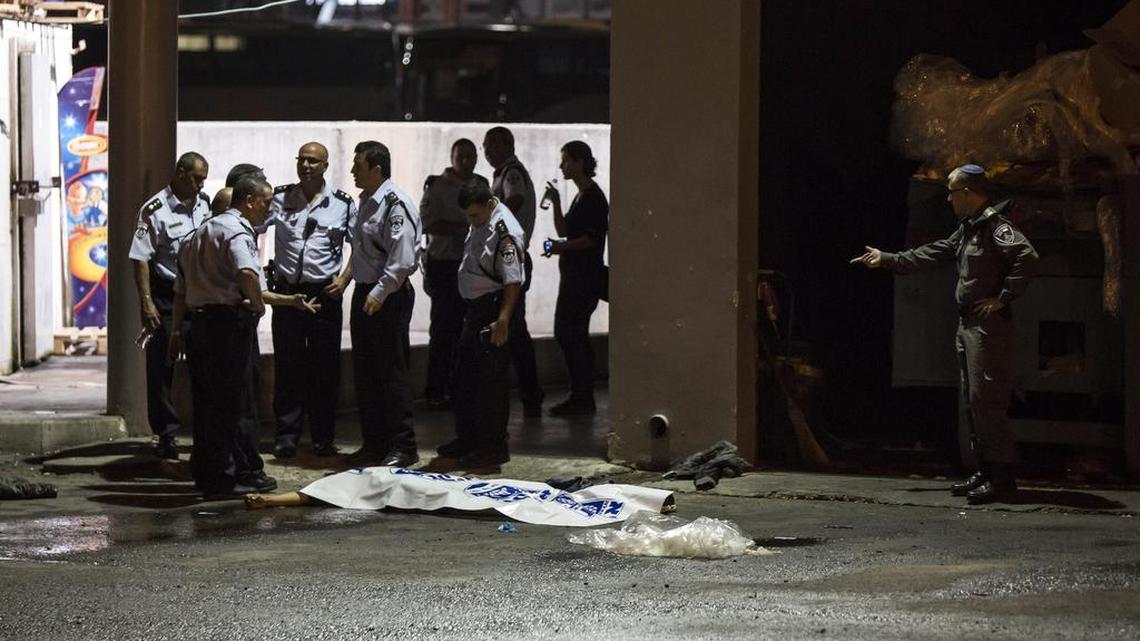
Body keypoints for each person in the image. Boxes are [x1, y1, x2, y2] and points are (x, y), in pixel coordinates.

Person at [852, 163, 1038, 504]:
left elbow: (1026, 257)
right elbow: (934, 252)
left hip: (987, 327)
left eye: (952, 191)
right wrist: (888, 258)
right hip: (966, 323)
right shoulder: (969, 228)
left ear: (967, 192)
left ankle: (1003, 479)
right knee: (971, 401)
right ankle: (985, 470)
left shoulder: (996, 227)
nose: (949, 199)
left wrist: (1002, 299)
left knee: (987, 401)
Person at [169, 176, 319, 498]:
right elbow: (248, 273)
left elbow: (181, 288)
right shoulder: (237, 231)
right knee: (230, 403)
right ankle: (225, 477)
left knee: (206, 405)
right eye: (266, 203)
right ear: (249, 200)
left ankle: (207, 475)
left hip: (200, 325)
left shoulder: (195, 235)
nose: (269, 210)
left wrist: (177, 330)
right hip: (226, 326)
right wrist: (257, 304)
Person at [259, 142, 356, 459]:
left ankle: (323, 437)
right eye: (301, 160)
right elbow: (253, 229)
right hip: (288, 293)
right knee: (288, 367)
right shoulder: (281, 197)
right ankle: (286, 436)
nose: (305, 166)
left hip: (324, 294)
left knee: (324, 369)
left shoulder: (341, 204)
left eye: (313, 161)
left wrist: (343, 280)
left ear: (325, 165)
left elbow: (360, 245)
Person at [426, 179, 526, 474]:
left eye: (474, 215)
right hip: (476, 307)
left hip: (493, 309)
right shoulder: (482, 219)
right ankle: (469, 439)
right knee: (465, 377)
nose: (470, 221)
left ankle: (492, 448)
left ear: (489, 204)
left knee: (490, 383)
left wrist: (503, 319)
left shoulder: (505, 231)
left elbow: (512, 280)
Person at [128, 152, 212, 460]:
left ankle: (205, 430)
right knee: (162, 366)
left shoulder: (205, 205)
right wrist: (147, 302)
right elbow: (140, 258)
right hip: (166, 294)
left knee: (204, 364)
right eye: (196, 178)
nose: (201, 185)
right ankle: (166, 433)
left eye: (204, 179)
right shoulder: (155, 209)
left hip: (199, 294)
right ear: (179, 173)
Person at [345, 141, 422, 468]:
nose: (353, 171)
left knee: (391, 372)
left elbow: (402, 260)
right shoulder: (367, 201)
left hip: (386, 295)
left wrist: (379, 293)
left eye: (358, 165)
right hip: (367, 293)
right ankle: (374, 442)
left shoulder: (395, 204)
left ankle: (403, 446)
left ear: (377, 168)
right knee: (366, 372)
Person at [541, 141, 609, 416]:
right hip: (574, 277)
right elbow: (566, 230)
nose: (562, 166)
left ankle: (582, 396)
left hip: (583, 279)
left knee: (572, 334)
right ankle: (580, 395)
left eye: (566, 160)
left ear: (580, 162)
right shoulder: (582, 195)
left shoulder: (594, 197)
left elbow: (590, 239)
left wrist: (561, 248)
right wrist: (557, 203)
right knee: (570, 334)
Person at [420, 138, 487, 407]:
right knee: (442, 331)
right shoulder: (437, 187)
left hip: (471, 267)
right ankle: (435, 391)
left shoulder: (481, 185)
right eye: (461, 156)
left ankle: (460, 389)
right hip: (445, 266)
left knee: (467, 332)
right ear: (452, 157)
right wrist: (464, 227)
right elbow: (429, 224)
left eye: (471, 156)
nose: (466, 161)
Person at [483, 127, 544, 417]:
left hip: (512, 260)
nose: (486, 151)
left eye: (490, 145)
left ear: (506, 144)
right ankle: (528, 392)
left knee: (514, 329)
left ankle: (530, 393)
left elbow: (515, 199)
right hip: (510, 260)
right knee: (515, 328)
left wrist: (490, 218)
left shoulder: (511, 174)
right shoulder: (502, 173)